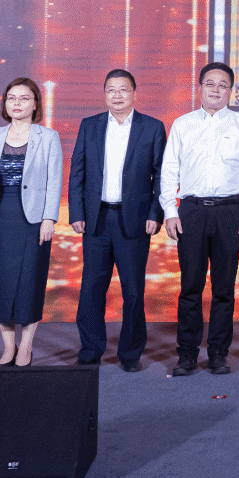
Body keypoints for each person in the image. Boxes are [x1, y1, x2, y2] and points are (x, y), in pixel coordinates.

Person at [160, 61, 239, 376]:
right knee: (190, 286)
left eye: (222, 85)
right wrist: (170, 211)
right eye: (210, 84)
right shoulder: (182, 125)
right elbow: (169, 170)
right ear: (200, 88)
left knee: (224, 288)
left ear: (231, 91)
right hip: (191, 211)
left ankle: (218, 353)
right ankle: (187, 354)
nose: (216, 89)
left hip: (230, 211)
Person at [68, 69, 167, 372]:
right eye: (111, 90)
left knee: (133, 291)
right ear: (104, 94)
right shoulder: (90, 125)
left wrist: (155, 214)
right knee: (91, 288)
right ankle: (90, 350)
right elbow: (77, 172)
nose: (117, 95)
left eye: (123, 89)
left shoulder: (152, 127)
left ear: (134, 93)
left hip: (135, 220)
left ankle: (131, 353)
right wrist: (77, 213)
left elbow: (162, 176)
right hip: (96, 219)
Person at [0, 77, 63, 366]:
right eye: (11, 98)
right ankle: (8, 346)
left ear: (35, 104)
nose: (17, 103)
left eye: (24, 98)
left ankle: (26, 346)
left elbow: (54, 181)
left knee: (29, 283)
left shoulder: (48, 137)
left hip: (33, 219)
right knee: (0, 282)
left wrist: (49, 218)